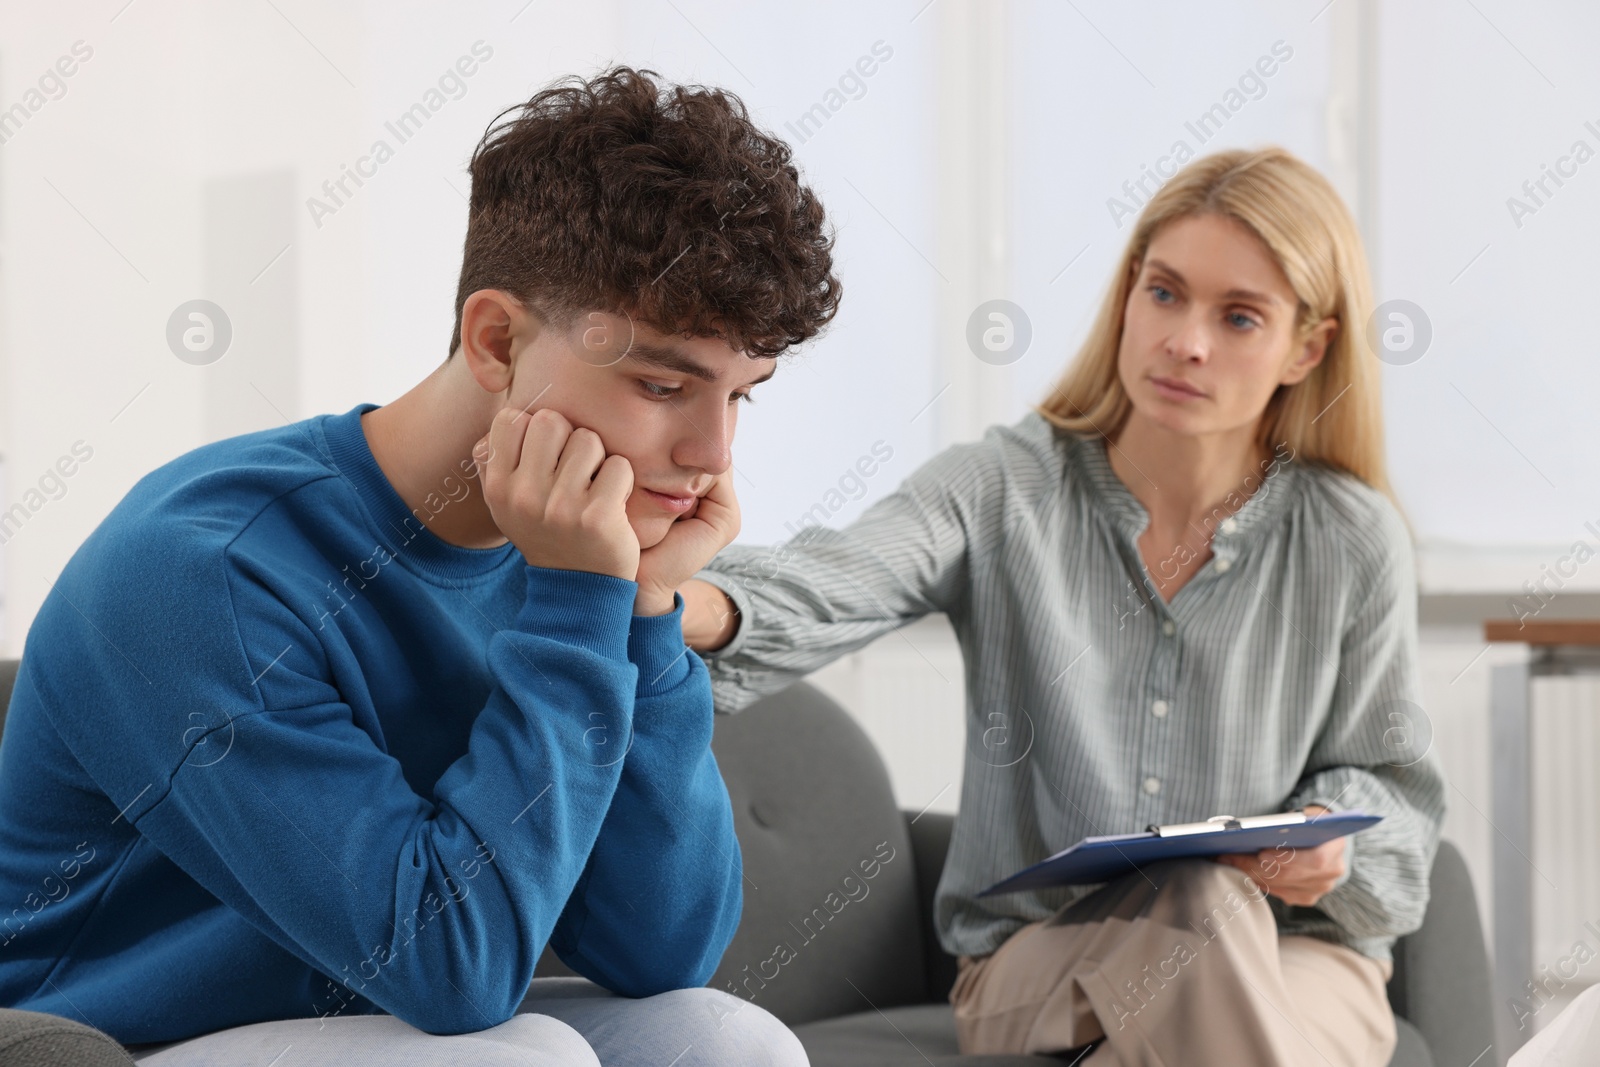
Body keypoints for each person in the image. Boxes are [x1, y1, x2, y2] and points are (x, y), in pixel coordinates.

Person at [0, 67, 838, 1066]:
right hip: (107, 1040)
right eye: (663, 382)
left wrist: (644, 611)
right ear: (495, 338)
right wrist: (578, 605)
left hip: (374, 1020)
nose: (712, 453)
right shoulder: (203, 568)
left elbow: (662, 949)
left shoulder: (582, 551)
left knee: (724, 1038)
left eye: (744, 395)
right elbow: (450, 966)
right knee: (517, 1056)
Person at [680, 147, 1445, 1066]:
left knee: (1197, 967)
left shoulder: (1353, 537)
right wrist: (669, 597)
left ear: (1306, 348)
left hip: (1304, 962)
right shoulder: (1005, 488)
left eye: (1239, 316)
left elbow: (1393, 789)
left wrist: (1334, 848)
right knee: (1198, 912)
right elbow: (838, 578)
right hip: (1037, 960)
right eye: (1164, 292)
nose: (1185, 340)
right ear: (1128, 296)